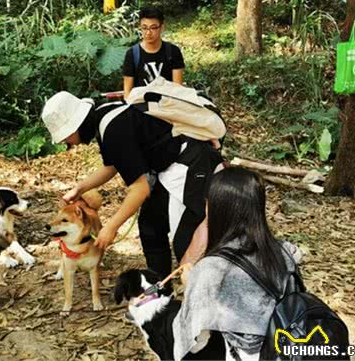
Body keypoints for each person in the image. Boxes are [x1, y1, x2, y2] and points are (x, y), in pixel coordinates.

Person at [41, 91, 222, 281]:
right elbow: (111, 166)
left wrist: (111, 227)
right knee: (150, 227)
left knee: (187, 240)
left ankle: (203, 292)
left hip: (189, 166)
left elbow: (140, 189)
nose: (65, 142)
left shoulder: (112, 130)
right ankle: (160, 290)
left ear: (74, 126)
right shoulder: (105, 116)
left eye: (65, 136)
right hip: (166, 168)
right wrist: (80, 189)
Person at [170, 167, 302, 360]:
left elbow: (195, 342)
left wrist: (191, 284)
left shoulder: (211, 269)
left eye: (208, 203)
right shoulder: (284, 252)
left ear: (216, 209)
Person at [122, 6, 185, 99]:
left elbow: (177, 88)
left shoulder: (173, 51)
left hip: (168, 105)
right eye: (144, 28)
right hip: (140, 105)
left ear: (162, 27)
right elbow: (127, 92)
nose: (148, 33)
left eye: (153, 28)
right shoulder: (132, 54)